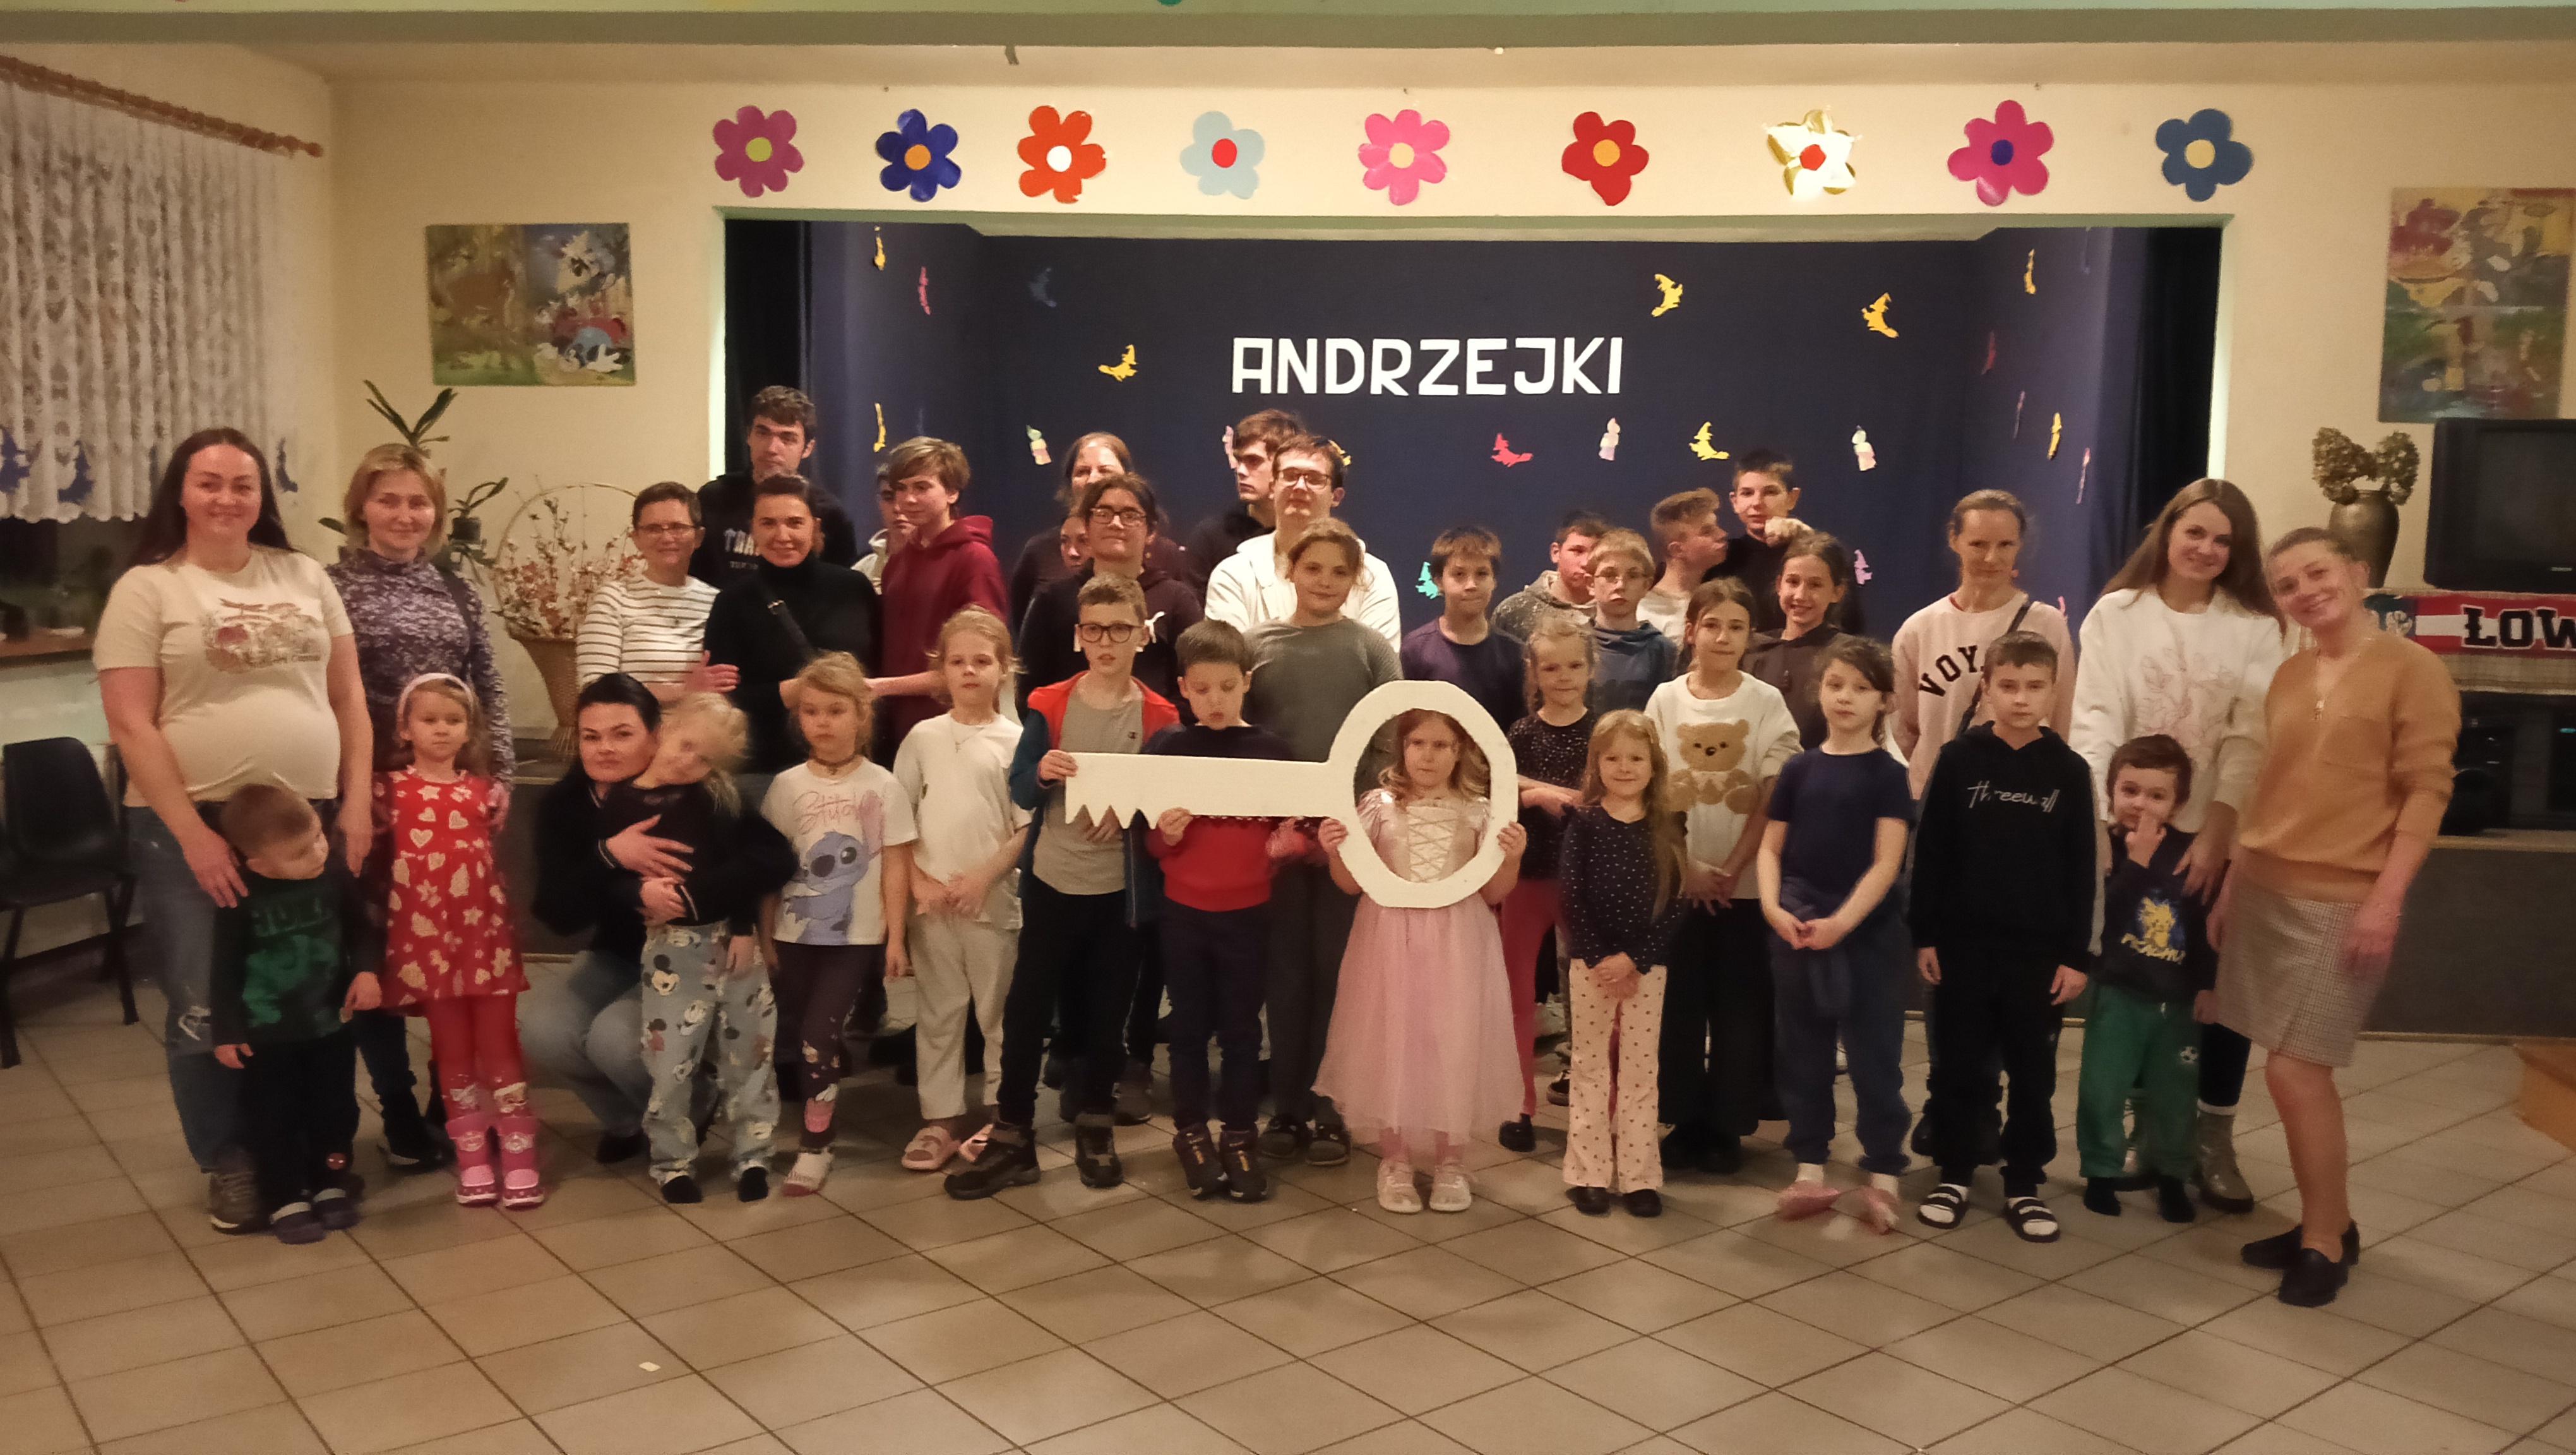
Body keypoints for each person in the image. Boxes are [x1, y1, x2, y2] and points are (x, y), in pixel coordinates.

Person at [97, 428, 376, 1235]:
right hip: (192, 824)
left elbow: (349, 699)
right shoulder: (148, 589)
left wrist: (356, 801)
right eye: (210, 482)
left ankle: (312, 1152)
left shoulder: (304, 575)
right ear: (180, 493)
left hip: (306, 820)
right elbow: (130, 723)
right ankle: (232, 1159)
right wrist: (194, 834)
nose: (227, 497)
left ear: (263, 497)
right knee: (206, 999)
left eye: (243, 484)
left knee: (308, 986)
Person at [2217, 529, 2457, 1307]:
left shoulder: (2413, 670)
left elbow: (2427, 790)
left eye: (2317, 573)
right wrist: (2232, 882)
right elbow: (2270, 787)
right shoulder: (2289, 675)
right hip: (2266, 889)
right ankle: (2329, 1220)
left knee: (2296, 1070)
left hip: (2345, 899)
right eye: (2287, 584)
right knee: (2286, 1067)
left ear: (2357, 574)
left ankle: (2325, 1239)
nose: (2305, 592)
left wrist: (2387, 899)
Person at [2069, 477, 2287, 1214]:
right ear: (2167, 533)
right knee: (2137, 981)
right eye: (2195, 532)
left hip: (2215, 831)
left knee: (2212, 987)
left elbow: (2250, 735)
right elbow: (2096, 717)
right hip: (2135, 828)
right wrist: (2107, 823)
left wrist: (2221, 826)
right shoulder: (2117, 614)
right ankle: (2148, 1130)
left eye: (2223, 540)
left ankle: (2211, 1136)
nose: (2206, 548)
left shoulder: (2255, 626)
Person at [945, 575, 1179, 1198]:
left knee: (1109, 1015)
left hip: (1120, 896)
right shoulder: (1050, 703)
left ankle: (1096, 1125)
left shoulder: (1160, 717)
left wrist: (1130, 813)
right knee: (1026, 1012)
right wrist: (1042, 773)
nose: (1107, 642)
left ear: (1142, 635)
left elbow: (1165, 805)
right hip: (1052, 883)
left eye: (1120, 630)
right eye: (1094, 630)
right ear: (1079, 636)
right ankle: (1013, 1134)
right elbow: (1021, 789)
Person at [328, 442, 514, 1171]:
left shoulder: (454, 588)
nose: (404, 515)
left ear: (435, 513)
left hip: (453, 800)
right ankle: (399, 1110)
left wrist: (499, 774)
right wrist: (353, 792)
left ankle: (452, 1096)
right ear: (361, 507)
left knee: (454, 949)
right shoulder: (331, 587)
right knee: (377, 950)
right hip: (371, 801)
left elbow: (487, 684)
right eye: (389, 500)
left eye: (419, 502)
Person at [1908, 631, 2096, 1243]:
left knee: (2033, 1074)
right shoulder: (1958, 759)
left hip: (2037, 955)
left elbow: (2082, 868)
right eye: (2008, 686)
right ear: (1986, 688)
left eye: (2034, 687)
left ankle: (2024, 1181)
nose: (2021, 699)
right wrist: (1925, 934)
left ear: (2053, 690)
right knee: (1959, 1066)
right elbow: (1931, 852)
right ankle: (1955, 1172)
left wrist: (2076, 955)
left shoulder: (2069, 771)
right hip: (1962, 948)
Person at [1314, 710, 1528, 1214]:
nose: (1428, 756)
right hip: (1389, 939)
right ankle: (1396, 1160)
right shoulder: (1377, 806)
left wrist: (1513, 857)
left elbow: (1493, 891)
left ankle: (1452, 1160)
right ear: (1402, 748)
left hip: (1458, 942)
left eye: (1441, 745)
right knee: (1395, 1039)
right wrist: (1335, 852)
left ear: (1460, 752)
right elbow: (1351, 883)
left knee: (1452, 1039)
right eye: (1418, 744)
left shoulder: (1479, 811)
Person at [1243, 519, 1402, 1166]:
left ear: (1355, 580)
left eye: (1340, 572)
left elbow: (1391, 736)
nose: (1325, 581)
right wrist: (1276, 823)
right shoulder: (1256, 646)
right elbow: (1242, 738)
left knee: (1338, 970)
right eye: (1314, 568)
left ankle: (1333, 1108)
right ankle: (1286, 1106)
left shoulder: (1370, 649)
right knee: (1285, 974)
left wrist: (1357, 821)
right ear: (1290, 570)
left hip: (1348, 842)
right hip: (1278, 843)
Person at [600, 693, 796, 1203]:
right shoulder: (619, 803)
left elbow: (747, 867)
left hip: (734, 943)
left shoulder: (716, 796)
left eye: (705, 758)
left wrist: (746, 928)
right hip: (672, 950)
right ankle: (672, 1162)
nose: (689, 763)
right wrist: (635, 890)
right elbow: (607, 880)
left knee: (751, 1055)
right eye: (686, 746)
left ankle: (754, 1155)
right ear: (664, 731)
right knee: (669, 1063)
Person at [1758, 635, 1914, 1233]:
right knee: (1803, 1053)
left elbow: (1886, 862)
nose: (1845, 697)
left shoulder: (1888, 775)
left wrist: (1843, 923)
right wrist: (1773, 908)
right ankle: (1809, 1167)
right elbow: (1772, 848)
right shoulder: (1798, 768)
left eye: (1861, 688)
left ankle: (1884, 1172)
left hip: (1866, 935)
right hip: (1798, 925)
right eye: (1835, 685)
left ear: (1885, 701)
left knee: (1875, 1056)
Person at [1645, 578, 1797, 1176]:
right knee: (1679, 1006)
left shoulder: (1766, 703)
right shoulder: (1665, 701)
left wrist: (1731, 870)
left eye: (1737, 627)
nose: (1723, 637)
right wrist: (1688, 867)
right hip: (1680, 884)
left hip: (1746, 889)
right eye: (1712, 625)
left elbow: (1773, 794)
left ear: (1750, 636)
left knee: (1740, 1010)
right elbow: (1650, 790)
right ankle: (1684, 1120)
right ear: (1691, 632)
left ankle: (1729, 1126)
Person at [371, 675, 540, 1210]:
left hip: (486, 942)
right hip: (427, 950)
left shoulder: (484, 792)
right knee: (451, 1053)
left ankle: (520, 1159)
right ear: (404, 728)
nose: (442, 730)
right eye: (429, 720)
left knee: (501, 1045)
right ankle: (472, 1161)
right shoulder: (385, 790)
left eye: (454, 720)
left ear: (469, 729)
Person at [1147, 620, 1296, 1202]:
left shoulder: (1272, 752)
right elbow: (1150, 844)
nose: (1215, 700)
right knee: (1187, 1029)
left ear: (1247, 682)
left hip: (1249, 915)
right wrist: (1166, 835)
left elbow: (1292, 831)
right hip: (1184, 915)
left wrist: (1290, 846)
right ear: (1184, 688)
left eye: (1228, 688)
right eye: (1203, 689)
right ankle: (1190, 1133)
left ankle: (1239, 1134)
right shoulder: (1169, 749)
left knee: (1240, 1031)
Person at [760, 654, 914, 1195]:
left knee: (818, 1036)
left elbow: (896, 865)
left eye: (835, 710)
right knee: (802, 1032)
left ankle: (816, 1145)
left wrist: (896, 938)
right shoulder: (786, 786)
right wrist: (765, 934)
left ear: (861, 716)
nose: (822, 722)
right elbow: (770, 869)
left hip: (854, 937)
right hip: (793, 935)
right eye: (811, 711)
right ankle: (811, 1113)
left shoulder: (883, 785)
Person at [208, 786, 378, 1244]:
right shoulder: (241, 894)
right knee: (272, 1116)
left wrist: (366, 971)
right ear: (259, 864)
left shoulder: (334, 874)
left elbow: (360, 930)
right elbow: (224, 968)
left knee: (335, 1108)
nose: (319, 852)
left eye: (320, 838)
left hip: (330, 1023)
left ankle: (330, 1182)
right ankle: (285, 1196)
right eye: (301, 853)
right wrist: (226, 1030)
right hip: (266, 1035)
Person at [893, 608, 1030, 1173]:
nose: (969, 671)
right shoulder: (923, 738)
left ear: (1004, 669)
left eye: (982, 661)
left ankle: (1003, 1114)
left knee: (998, 1012)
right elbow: (899, 820)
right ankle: (941, 1118)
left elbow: (1026, 826)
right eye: (957, 661)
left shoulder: (1017, 741)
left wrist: (982, 879)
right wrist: (918, 882)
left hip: (991, 900)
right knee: (939, 1010)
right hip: (931, 904)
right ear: (941, 671)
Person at [1558, 712, 1688, 1218]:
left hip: (1646, 967)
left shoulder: (1667, 824)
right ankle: (1589, 1174)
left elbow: (1677, 901)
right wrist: (1599, 958)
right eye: (1612, 758)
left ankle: (1638, 1177)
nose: (1625, 767)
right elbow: (1571, 896)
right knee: (1589, 1066)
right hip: (1591, 966)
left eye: (1636, 758)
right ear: (1596, 764)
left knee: (1639, 1071)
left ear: (1654, 765)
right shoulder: (1584, 823)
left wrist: (1636, 959)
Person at [2078, 735, 2212, 1224]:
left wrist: (2208, 985)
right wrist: (2135, 862)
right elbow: (2103, 918)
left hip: (2176, 1003)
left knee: (2175, 1096)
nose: (2141, 804)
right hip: (2118, 993)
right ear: (2111, 792)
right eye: (2130, 791)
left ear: (2178, 804)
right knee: (2103, 1089)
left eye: (2157, 796)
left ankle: (2172, 1175)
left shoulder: (2190, 855)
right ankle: (2100, 1171)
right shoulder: (2104, 850)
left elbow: (2203, 925)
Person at [1893, 491, 2074, 798]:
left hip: (2017, 797)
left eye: (2005, 545)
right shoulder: (1919, 630)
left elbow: (2062, 721)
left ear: (2019, 545)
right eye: (1978, 544)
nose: (1992, 558)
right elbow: (1904, 727)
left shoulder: (2046, 625)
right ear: (1955, 541)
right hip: (1937, 799)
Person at [702, 475, 881, 773]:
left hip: (853, 764)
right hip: (765, 769)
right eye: (768, 523)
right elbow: (724, 699)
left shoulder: (854, 587)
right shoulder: (732, 602)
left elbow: (878, 671)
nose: (782, 535)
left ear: (815, 527)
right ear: (753, 529)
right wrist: (791, 692)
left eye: (795, 523)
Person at [1497, 616, 1597, 1149]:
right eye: (1551, 668)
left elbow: (1606, 797)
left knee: (1590, 991)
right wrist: (1536, 794)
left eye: (1574, 666)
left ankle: (1593, 1101)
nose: (1564, 677)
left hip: (1585, 880)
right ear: (1534, 672)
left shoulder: (1603, 733)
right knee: (1517, 992)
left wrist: (1538, 791)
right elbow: (1498, 789)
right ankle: (1519, 1104)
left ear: (1591, 669)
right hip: (1527, 878)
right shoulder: (1521, 733)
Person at [1017, 472, 1205, 710]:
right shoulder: (1051, 600)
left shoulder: (1177, 601)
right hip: (1070, 731)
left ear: (1151, 532)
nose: (1116, 523)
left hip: (1157, 730)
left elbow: (1199, 683)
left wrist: (1156, 725)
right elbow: (1030, 689)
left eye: (1130, 515)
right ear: (1086, 526)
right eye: (1103, 514)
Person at [872, 438, 1010, 745]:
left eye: (922, 487)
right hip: (896, 725)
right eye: (901, 489)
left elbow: (978, 664)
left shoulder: (975, 559)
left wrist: (881, 687)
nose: (908, 499)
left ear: (952, 493)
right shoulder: (901, 559)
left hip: (957, 727)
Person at [1204, 434, 1402, 647]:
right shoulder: (1233, 574)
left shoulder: (1371, 575)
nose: (1300, 486)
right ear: (1273, 487)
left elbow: (1380, 662)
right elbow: (1226, 662)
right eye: (1290, 476)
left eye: (1314, 478)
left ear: (1336, 496)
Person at [1010, 432, 1192, 625]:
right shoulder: (1040, 552)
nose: (1092, 480)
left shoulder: (1165, 554)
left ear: (1128, 478)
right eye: (1082, 472)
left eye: (1105, 471)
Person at [578, 482, 733, 705]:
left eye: (678, 527)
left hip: (702, 724)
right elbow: (595, 690)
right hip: (634, 725)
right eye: (653, 529)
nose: (667, 538)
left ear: (698, 537)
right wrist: (684, 690)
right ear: (636, 538)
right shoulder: (613, 599)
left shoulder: (719, 602)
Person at [693, 386, 859, 589]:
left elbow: (840, 591)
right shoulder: (713, 499)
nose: (772, 448)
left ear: (808, 448)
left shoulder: (830, 514)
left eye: (787, 438)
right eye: (763, 433)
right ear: (748, 435)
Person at [1401, 526, 1525, 736]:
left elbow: (1520, 733)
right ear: (1438, 581)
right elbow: (1406, 726)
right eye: (1459, 574)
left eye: (1482, 574)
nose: (1471, 585)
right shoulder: (1416, 649)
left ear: (1494, 580)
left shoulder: (1514, 654)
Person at [1744, 530, 1859, 750]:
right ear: (1779, 585)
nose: (1800, 595)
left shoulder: (1847, 656)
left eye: (1815, 585)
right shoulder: (1751, 649)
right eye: (1793, 582)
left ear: (1837, 593)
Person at [1724, 452, 1856, 636]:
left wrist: (1807, 537)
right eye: (1747, 493)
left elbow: (1850, 625)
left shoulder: (1825, 556)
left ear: (1792, 498)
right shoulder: (1720, 557)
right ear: (1735, 502)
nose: (1757, 503)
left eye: (1770, 492)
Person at [1185, 409, 1302, 598]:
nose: (1240, 471)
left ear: (1286, 465)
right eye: (1239, 460)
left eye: (1253, 461)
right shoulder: (1211, 537)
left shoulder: (1314, 536)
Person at [1586, 529, 1677, 714]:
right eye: (1610, 575)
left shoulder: (1663, 651)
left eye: (1633, 576)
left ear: (1646, 585)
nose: (1621, 585)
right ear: (1590, 584)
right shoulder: (1574, 644)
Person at [1493, 510, 1605, 643]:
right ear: (1556, 553)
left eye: (1596, 553)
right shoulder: (1514, 612)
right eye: (1577, 551)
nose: (1586, 562)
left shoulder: (1617, 612)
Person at [1643, 489, 1731, 645]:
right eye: (1707, 532)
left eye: (1717, 527)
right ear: (1677, 550)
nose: (1722, 534)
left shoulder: (1719, 597)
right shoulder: (1647, 612)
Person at [856, 474, 911, 590]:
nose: (897, 508)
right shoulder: (863, 571)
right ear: (879, 502)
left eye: (907, 497)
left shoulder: (945, 566)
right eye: (888, 497)